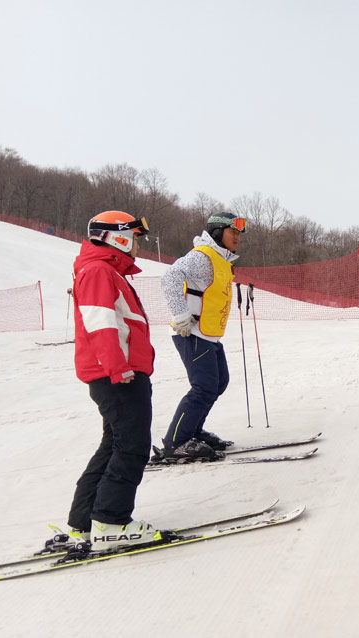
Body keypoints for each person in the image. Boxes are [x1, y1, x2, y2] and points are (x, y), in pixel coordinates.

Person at [67, 210, 159, 552]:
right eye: (134, 237)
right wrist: (118, 368)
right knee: (132, 445)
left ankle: (85, 520)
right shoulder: (98, 271)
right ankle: (111, 520)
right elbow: (101, 323)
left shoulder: (106, 271)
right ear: (116, 236)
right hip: (117, 375)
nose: (137, 245)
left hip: (118, 372)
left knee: (114, 444)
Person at [161, 212, 246, 459]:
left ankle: (193, 432)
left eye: (239, 233)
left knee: (219, 383)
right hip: (191, 333)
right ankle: (175, 442)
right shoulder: (202, 256)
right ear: (218, 233)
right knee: (204, 388)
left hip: (208, 336)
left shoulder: (220, 259)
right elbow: (170, 277)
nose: (237, 238)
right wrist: (180, 314)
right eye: (233, 232)